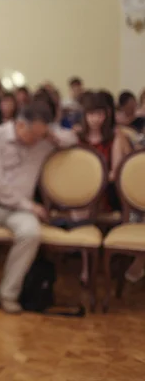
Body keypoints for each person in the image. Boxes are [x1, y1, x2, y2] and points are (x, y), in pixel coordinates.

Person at [0, 101, 77, 313]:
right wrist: (29, 206)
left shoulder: (43, 140)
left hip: (19, 210)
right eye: (34, 134)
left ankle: (8, 293)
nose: (37, 141)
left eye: (42, 135)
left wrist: (54, 137)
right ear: (20, 125)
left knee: (31, 234)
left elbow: (73, 137)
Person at [73, 93, 131, 285]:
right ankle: (84, 263)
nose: (95, 119)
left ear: (106, 114)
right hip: (83, 188)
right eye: (91, 114)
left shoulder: (115, 137)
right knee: (80, 203)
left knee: (84, 205)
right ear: (85, 115)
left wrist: (94, 183)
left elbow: (116, 172)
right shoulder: (78, 136)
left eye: (99, 114)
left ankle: (87, 266)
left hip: (107, 189)